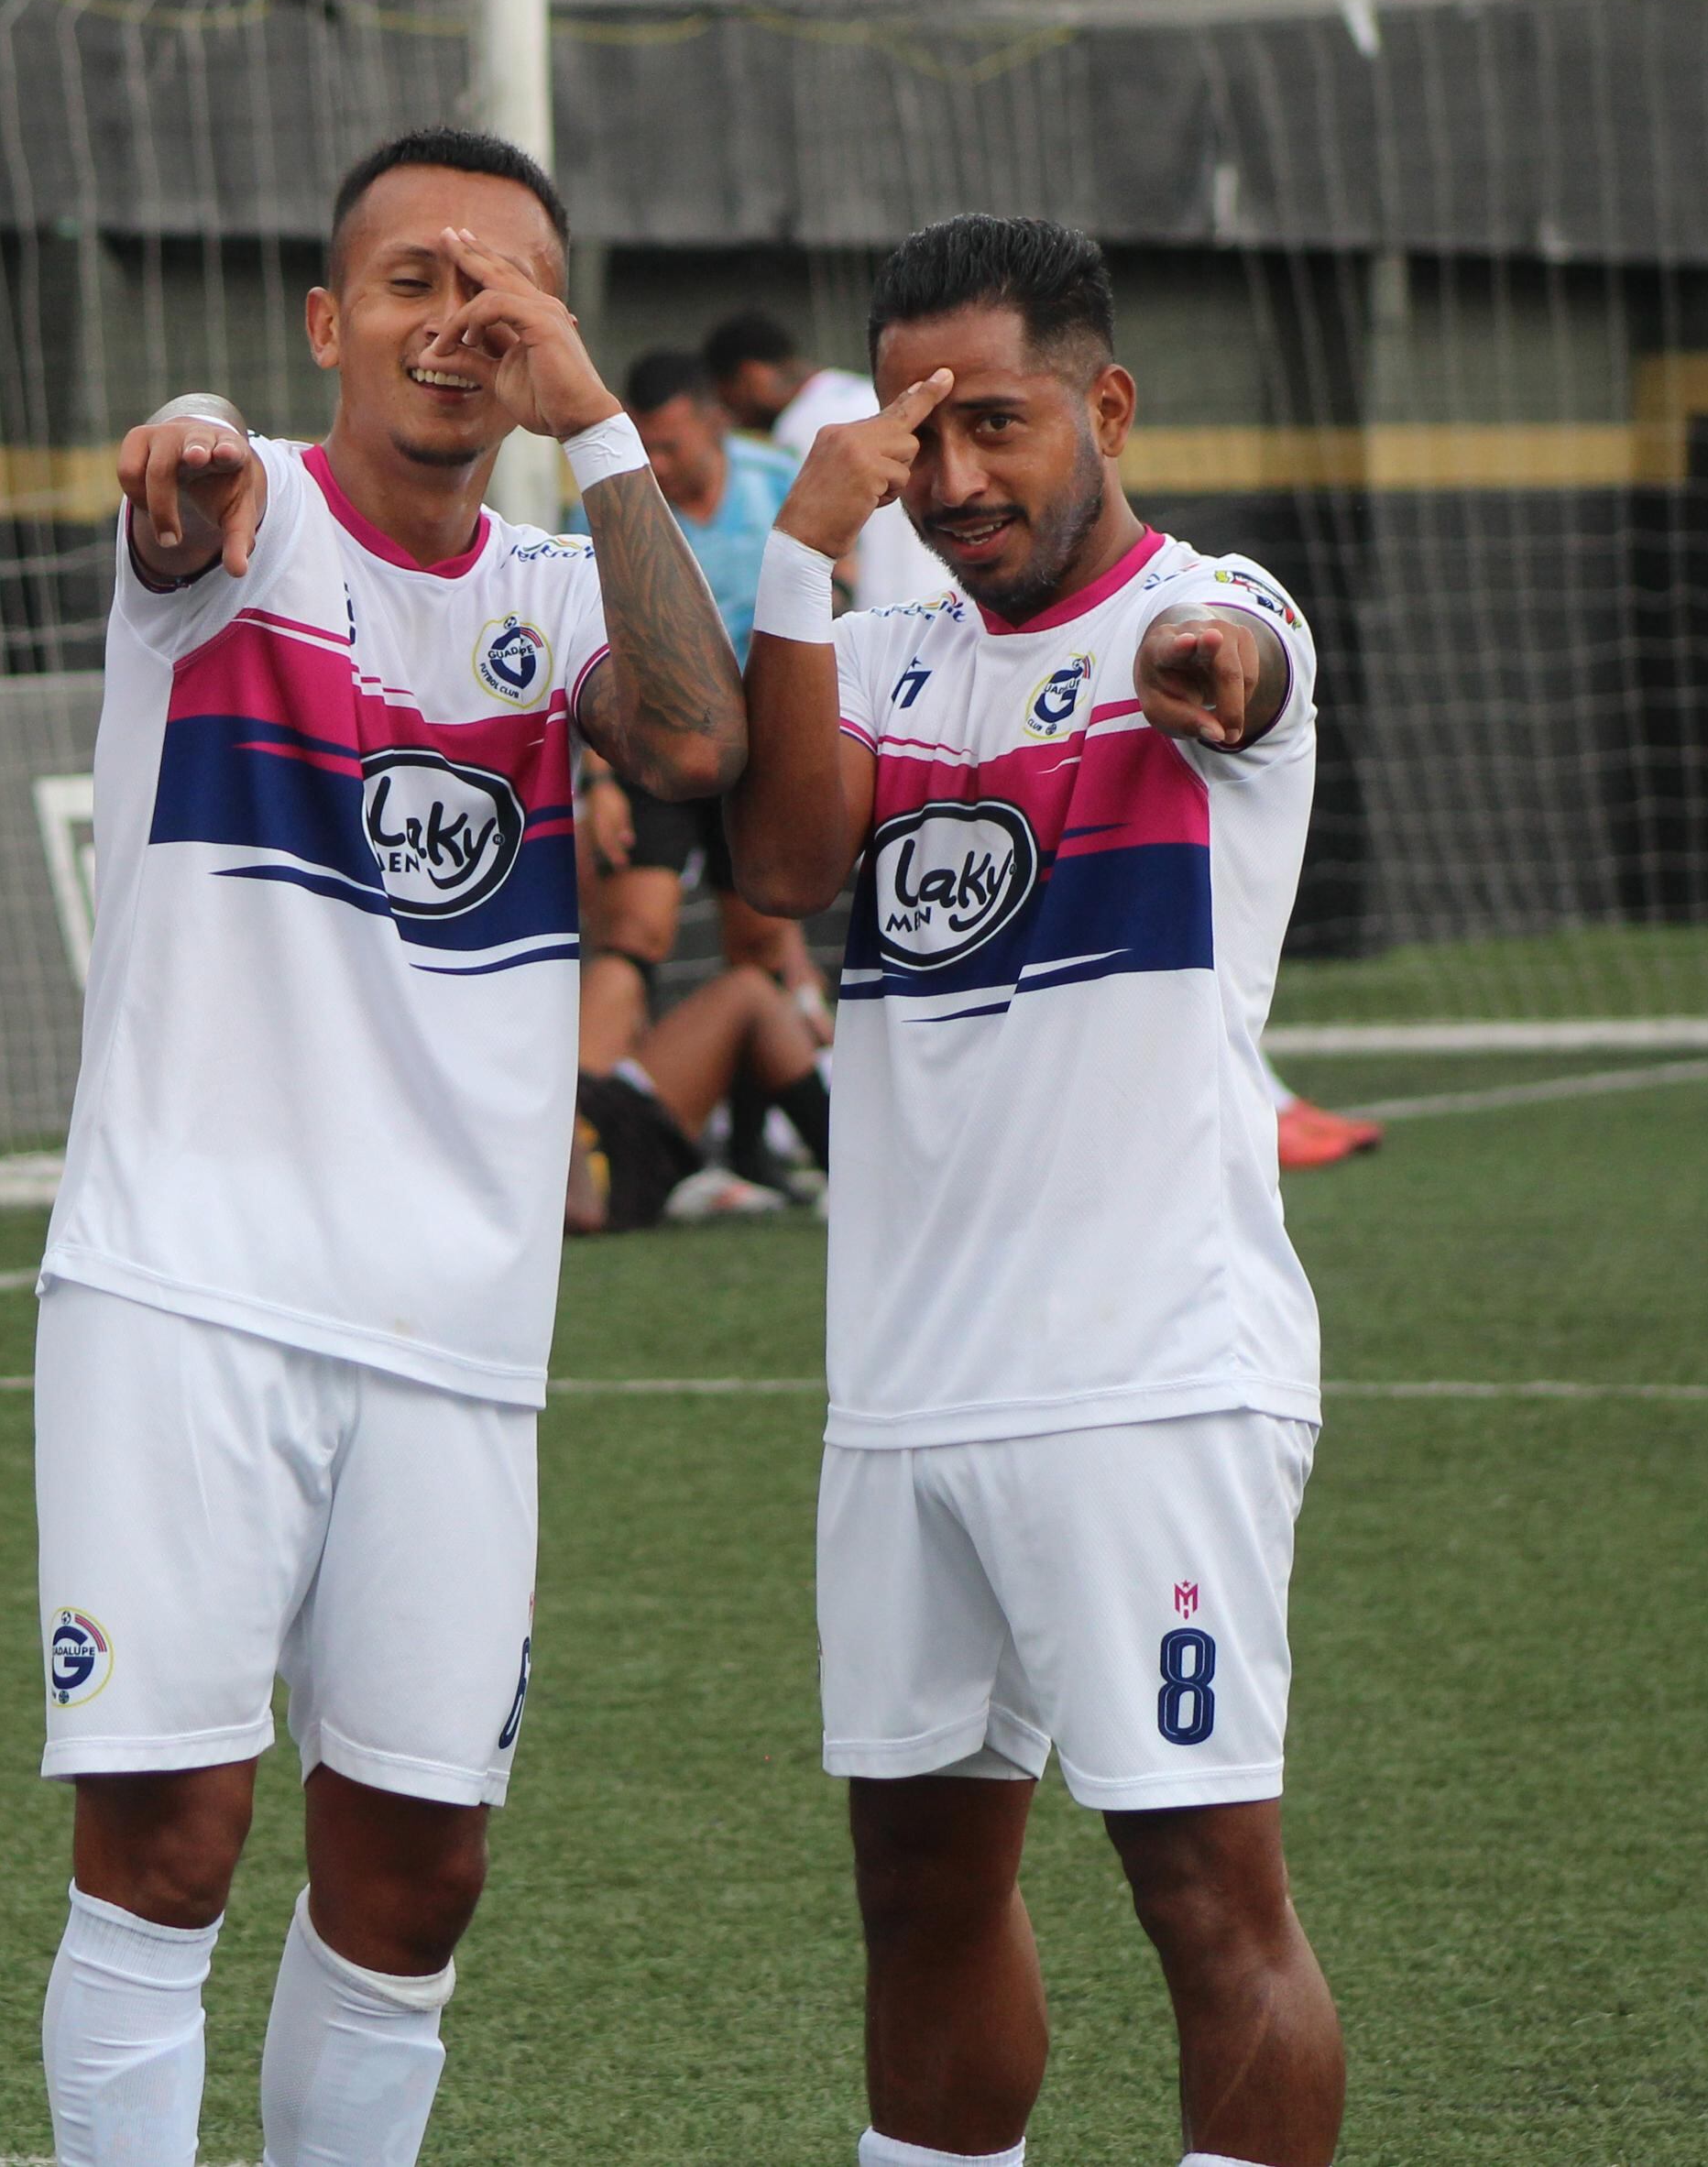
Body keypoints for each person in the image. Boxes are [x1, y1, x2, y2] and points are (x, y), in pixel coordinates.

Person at [32, 126, 749, 2167]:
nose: (462, 323)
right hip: (189, 1292)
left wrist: (600, 420)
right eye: (416, 285)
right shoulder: (238, 526)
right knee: (169, 1837)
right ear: (330, 325)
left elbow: (697, 747)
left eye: (504, 290)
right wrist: (184, 459)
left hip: (454, 1326)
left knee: (419, 1869)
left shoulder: (554, 593)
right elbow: (182, 484)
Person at [729, 213, 1346, 2167]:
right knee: (916, 1892)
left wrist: (1198, 669)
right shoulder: (884, 648)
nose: (959, 480)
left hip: (1146, 1377)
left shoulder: (1219, 599)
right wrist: (805, 553)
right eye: (919, 437)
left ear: (1105, 403)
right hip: (906, 1391)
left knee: (1201, 1901)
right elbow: (780, 859)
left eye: (995, 423)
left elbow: (1232, 667)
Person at [572, 351, 823, 1075]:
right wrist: (601, 783)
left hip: (762, 745)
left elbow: (835, 601)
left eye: (669, 444)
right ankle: (585, 1135)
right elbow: (594, 646)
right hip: (651, 742)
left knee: (763, 944)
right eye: (642, 443)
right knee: (638, 929)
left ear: (713, 426)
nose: (654, 460)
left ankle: (749, 1151)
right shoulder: (610, 506)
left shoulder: (782, 481)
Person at [710, 305, 954, 611]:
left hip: (888, 606)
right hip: (947, 589)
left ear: (750, 377)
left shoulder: (804, 427)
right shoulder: (864, 391)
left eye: (729, 399)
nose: (735, 418)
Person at [568, 959, 836, 1233]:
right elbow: (584, 1211)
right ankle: (849, 1179)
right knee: (751, 992)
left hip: (581, 1113)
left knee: (618, 973)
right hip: (596, 1159)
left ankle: (750, 1160)